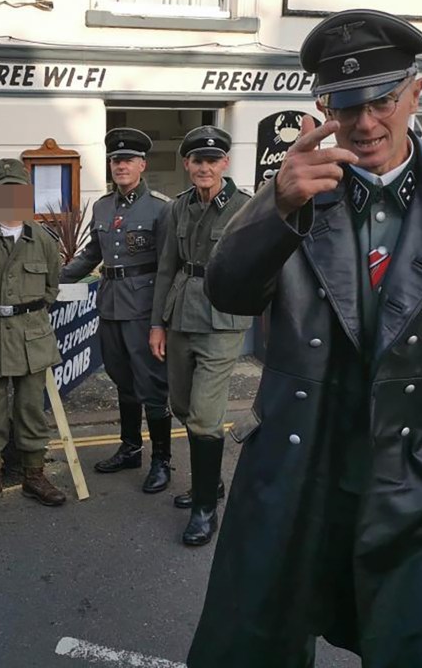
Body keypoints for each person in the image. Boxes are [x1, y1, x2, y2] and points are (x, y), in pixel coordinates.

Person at [190, 9, 422, 668]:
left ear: (415, 93)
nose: (365, 122)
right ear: (320, 106)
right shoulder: (295, 191)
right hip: (298, 474)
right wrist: (278, 206)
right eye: (345, 103)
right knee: (254, 649)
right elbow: (228, 293)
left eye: (383, 99)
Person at [149, 126, 251, 546]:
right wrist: (157, 323)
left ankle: (205, 508)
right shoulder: (178, 208)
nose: (204, 167)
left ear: (224, 163)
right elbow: (166, 267)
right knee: (182, 405)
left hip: (222, 319)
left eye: (213, 160)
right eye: (197, 160)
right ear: (187, 164)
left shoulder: (245, 206)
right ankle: (211, 484)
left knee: (206, 415)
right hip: (180, 317)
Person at [60, 129, 173, 493]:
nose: (121, 166)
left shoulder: (161, 207)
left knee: (152, 385)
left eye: (128, 160)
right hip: (109, 305)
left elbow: (169, 268)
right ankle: (130, 448)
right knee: (122, 380)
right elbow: (93, 255)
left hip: (144, 310)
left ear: (142, 164)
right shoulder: (102, 207)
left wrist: (160, 322)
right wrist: (54, 278)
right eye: (115, 160)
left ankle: (162, 460)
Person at [0, 158, 65, 511]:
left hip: (32, 336)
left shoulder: (44, 240)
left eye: (16, 190)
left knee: (31, 409)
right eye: (3, 190)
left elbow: (51, 288)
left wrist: (24, 312)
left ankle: (34, 473)